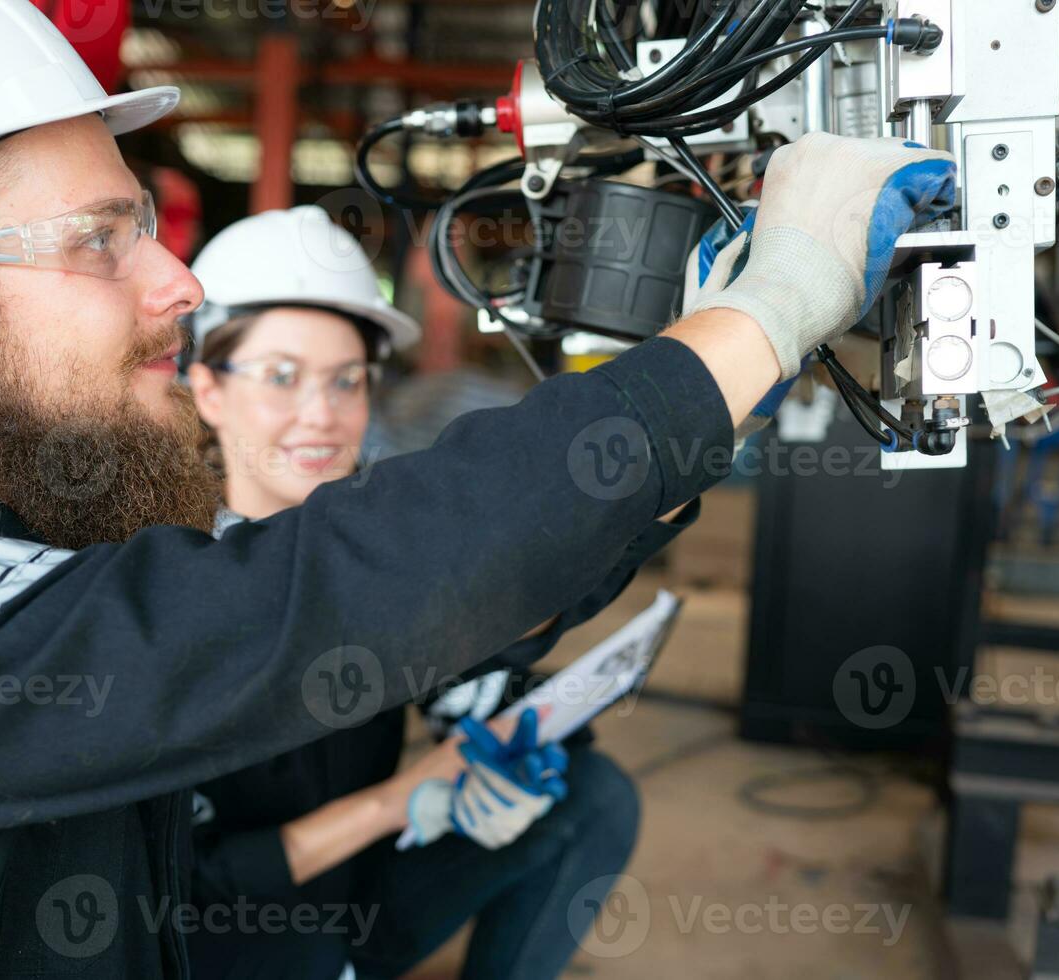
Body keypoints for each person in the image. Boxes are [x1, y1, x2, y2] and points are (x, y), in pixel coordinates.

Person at [0, 1, 956, 975]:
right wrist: (766, 312)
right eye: (101, 239)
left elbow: (378, 606)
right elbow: (312, 600)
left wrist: (679, 431)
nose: (176, 287)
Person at [179, 206, 687, 978]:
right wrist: (404, 798)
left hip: (353, 895)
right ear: (208, 388)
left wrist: (665, 475)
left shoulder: (373, 546)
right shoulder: (161, 590)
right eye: (281, 376)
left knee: (591, 796)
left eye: (346, 381)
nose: (321, 415)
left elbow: (483, 638)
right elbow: (196, 881)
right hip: (219, 941)